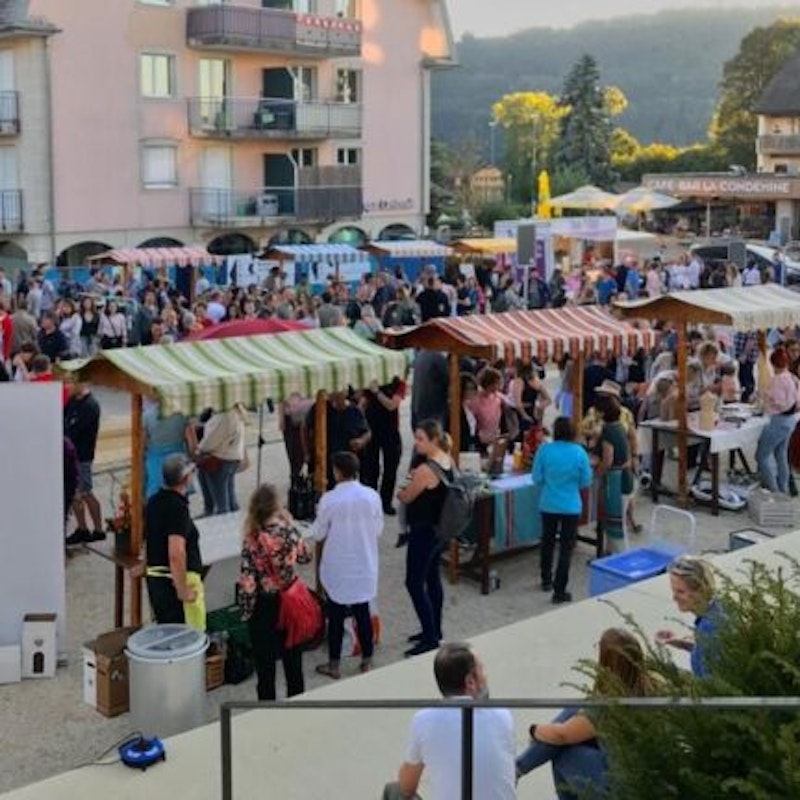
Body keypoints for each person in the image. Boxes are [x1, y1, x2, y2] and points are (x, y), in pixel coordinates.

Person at [517, 628, 654, 800]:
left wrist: (534, 730)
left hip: (620, 785)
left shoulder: (608, 704)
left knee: (562, 750)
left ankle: (518, 769)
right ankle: (517, 768)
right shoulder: (650, 683)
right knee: (575, 709)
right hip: (648, 773)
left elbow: (562, 735)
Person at [383, 642, 516, 800]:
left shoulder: (424, 720)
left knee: (394, 790)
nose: (486, 675)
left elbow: (406, 787)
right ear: (470, 682)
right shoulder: (502, 715)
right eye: (482, 670)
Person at [312, 452, 384, 680]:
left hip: (339, 566)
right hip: (364, 563)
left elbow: (318, 533)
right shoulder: (372, 496)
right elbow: (378, 529)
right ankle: (367, 659)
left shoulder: (330, 499)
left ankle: (334, 664)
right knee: (362, 612)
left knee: (335, 615)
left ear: (337, 472)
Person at [238, 483, 312, 700]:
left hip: (264, 605)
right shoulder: (288, 532)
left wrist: (246, 610)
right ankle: (297, 706)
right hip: (290, 601)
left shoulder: (251, 539)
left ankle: (267, 712)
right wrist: (291, 523)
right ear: (277, 507)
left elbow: (248, 581)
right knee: (293, 661)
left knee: (265, 666)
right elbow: (306, 557)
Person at [397, 420, 453, 657]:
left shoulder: (425, 470)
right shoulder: (446, 459)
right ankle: (434, 629)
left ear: (433, 440)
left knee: (413, 582)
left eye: (421, 439)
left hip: (423, 530)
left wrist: (406, 483)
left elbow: (405, 496)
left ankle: (430, 637)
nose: (416, 443)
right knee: (432, 580)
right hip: (438, 530)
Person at [531, 417, 592, 604]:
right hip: (571, 505)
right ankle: (559, 589)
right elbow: (586, 481)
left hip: (548, 503)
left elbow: (536, 478)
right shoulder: (579, 452)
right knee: (566, 549)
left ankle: (545, 578)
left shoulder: (544, 450)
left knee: (547, 542)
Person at [144, 453, 205, 628]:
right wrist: (182, 590)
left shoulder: (154, 501)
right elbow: (176, 553)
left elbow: (151, 538)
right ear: (186, 478)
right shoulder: (177, 508)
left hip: (156, 580)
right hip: (171, 583)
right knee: (184, 639)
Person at [656, 556, 721, 677]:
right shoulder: (717, 609)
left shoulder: (710, 627)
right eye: (673, 591)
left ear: (700, 590)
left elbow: (711, 685)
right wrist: (684, 644)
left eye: (680, 592)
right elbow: (713, 655)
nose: (674, 598)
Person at [63, 381, 103, 545]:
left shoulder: (90, 406)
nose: (68, 386)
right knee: (75, 495)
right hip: (72, 455)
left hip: (83, 456)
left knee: (85, 492)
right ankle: (82, 528)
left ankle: (99, 530)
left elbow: (72, 430)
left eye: (71, 383)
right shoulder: (73, 401)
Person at [756, 347, 800, 494]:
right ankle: (784, 488)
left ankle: (775, 490)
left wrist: (767, 395)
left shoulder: (778, 380)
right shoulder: (793, 378)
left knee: (761, 456)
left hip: (778, 420)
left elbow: (781, 404)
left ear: (773, 364)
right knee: (780, 455)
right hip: (790, 420)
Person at [361, 377, 406, 515]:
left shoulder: (398, 382)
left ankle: (385, 502)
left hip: (390, 430)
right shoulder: (371, 379)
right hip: (372, 428)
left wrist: (377, 392)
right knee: (371, 467)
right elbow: (362, 402)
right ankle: (371, 501)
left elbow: (392, 405)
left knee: (391, 467)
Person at [596, 395, 633, 553]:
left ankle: (619, 556)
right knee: (617, 521)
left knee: (616, 523)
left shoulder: (608, 431)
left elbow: (608, 459)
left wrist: (598, 473)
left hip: (615, 481)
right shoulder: (619, 427)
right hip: (626, 476)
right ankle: (609, 553)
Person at [196, 404, 247, 514]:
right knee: (230, 499)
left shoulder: (223, 416)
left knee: (221, 504)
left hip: (219, 460)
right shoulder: (233, 413)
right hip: (230, 458)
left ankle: (224, 526)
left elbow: (210, 442)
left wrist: (198, 450)